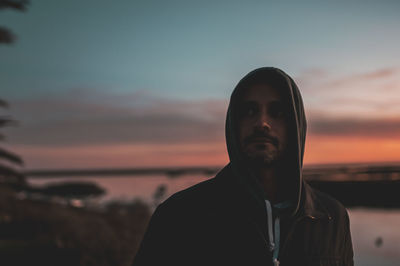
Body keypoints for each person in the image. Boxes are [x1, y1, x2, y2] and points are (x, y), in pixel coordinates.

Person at [132, 67, 354, 266]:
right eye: (249, 111)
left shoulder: (332, 218)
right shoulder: (179, 217)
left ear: (296, 127)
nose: (262, 123)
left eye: (277, 112)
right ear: (233, 125)